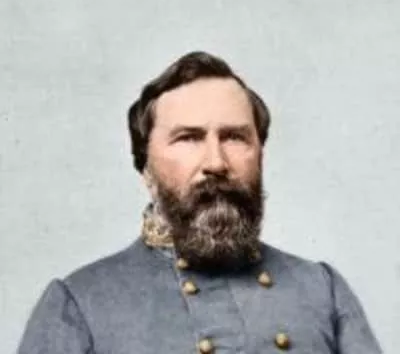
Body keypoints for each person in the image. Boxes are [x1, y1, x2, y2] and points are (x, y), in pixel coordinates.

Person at [18, 51, 382, 354]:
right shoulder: (79, 304)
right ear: (145, 168)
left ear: (260, 154)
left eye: (235, 137)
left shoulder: (321, 289)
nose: (216, 162)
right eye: (189, 138)